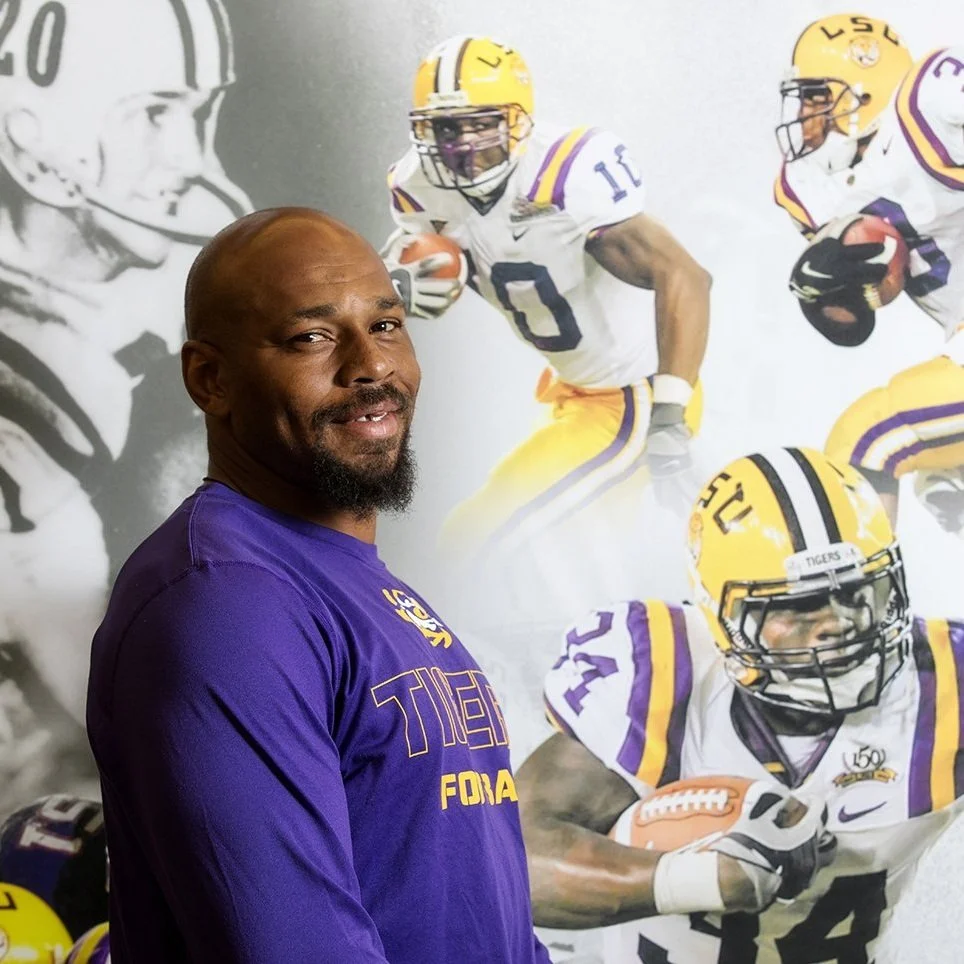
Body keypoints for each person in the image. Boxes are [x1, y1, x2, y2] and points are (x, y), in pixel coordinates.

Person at [85, 207, 550, 964]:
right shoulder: (228, 601)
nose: (373, 367)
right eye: (313, 337)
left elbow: (481, 907)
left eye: (388, 325)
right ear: (211, 378)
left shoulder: (344, 579)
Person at [517, 446, 964, 962]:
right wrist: (697, 878)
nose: (836, 621)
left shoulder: (944, 683)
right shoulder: (661, 676)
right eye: (796, 605)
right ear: (719, 618)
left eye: (859, 591)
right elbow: (508, 855)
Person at [0, 0, 250, 805]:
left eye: (199, 111)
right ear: (34, 134)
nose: (185, 157)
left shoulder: (184, 256)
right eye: (151, 115)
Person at [383, 35, 711, 625]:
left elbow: (685, 275)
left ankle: (456, 679)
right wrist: (406, 287)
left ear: (518, 120)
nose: (461, 149)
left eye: (479, 126)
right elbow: (435, 271)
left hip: (634, 398)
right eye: (444, 131)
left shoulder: (565, 174)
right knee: (583, 567)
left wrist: (669, 416)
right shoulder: (417, 187)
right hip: (574, 395)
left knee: (472, 540)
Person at [774, 16, 964, 536]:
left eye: (816, 97)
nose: (805, 115)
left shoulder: (933, 101)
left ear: (864, 86)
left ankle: (869, 614)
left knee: (868, 440)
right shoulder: (810, 187)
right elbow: (855, 319)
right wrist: (819, 288)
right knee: (944, 480)